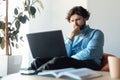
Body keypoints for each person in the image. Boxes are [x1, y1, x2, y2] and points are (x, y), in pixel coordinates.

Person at [28, 6, 104, 73]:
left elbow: (90, 53)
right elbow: (64, 54)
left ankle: (36, 74)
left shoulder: (96, 33)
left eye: (78, 19)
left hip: (90, 63)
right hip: (70, 62)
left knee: (58, 61)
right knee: (38, 61)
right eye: (72, 21)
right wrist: (71, 38)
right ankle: (27, 74)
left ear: (85, 18)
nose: (75, 23)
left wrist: (67, 59)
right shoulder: (72, 36)